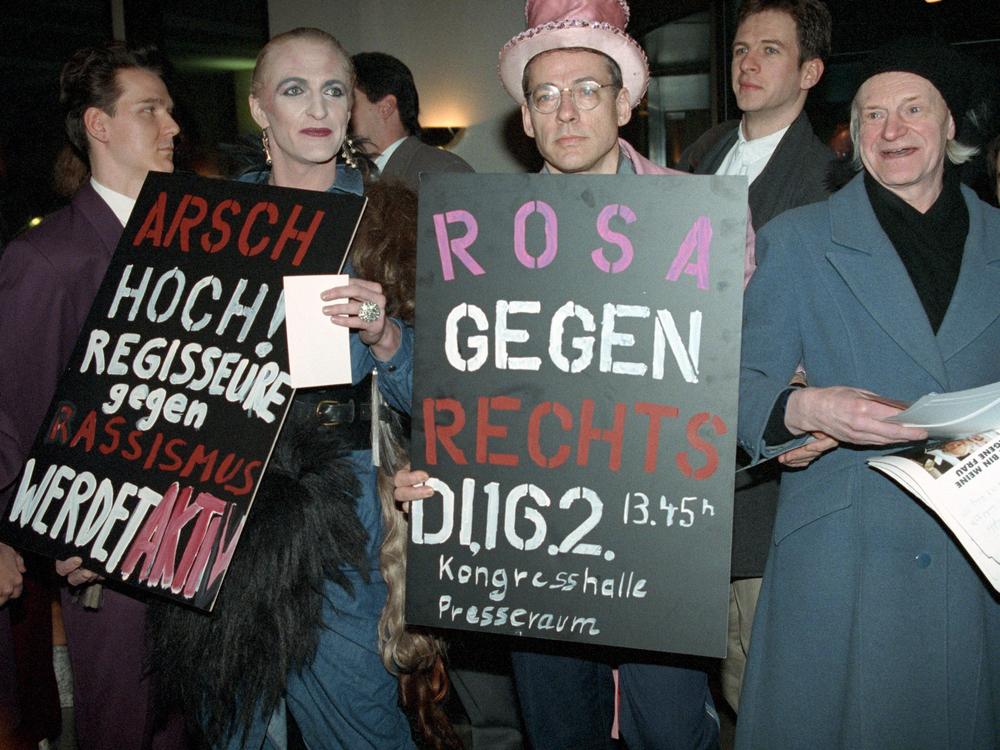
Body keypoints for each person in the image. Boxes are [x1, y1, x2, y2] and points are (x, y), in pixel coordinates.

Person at [396, 1, 756, 748]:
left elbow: (737, 368)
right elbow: (464, 380)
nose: (566, 111)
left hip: (656, 543)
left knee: (671, 732)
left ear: (626, 102)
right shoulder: (479, 235)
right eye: (545, 95)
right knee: (559, 732)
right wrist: (434, 466)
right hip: (532, 552)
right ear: (524, 118)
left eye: (587, 90)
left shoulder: (697, 224)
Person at [148, 28, 415, 750]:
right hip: (218, 497)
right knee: (231, 717)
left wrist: (386, 337)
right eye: (294, 89)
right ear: (260, 107)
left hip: (341, 514)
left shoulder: (394, 222)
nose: (318, 106)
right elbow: (149, 369)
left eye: (334, 89)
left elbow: (446, 391)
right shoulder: (203, 223)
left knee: (362, 723)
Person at [736, 36, 1000, 749]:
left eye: (914, 110)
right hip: (842, 556)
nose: (892, 131)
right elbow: (735, 382)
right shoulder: (799, 238)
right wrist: (805, 408)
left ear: (950, 125)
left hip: (976, 551)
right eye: (873, 114)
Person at [0, 41, 188, 750]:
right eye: (150, 111)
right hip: (102, 556)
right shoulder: (45, 260)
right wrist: (37, 535)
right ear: (99, 126)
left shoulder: (188, 243)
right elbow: (9, 417)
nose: (172, 127)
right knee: (126, 727)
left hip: (192, 537)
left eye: (170, 109)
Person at [678, 0, 835, 712]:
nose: (747, 62)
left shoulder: (830, 177)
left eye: (770, 50)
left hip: (761, 472)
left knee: (756, 675)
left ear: (810, 70)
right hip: (679, 444)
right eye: (741, 47)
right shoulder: (701, 151)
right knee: (678, 668)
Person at [350, 51, 473, 191]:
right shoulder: (343, 174)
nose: (340, 110)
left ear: (386, 107)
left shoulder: (444, 172)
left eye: (349, 100)